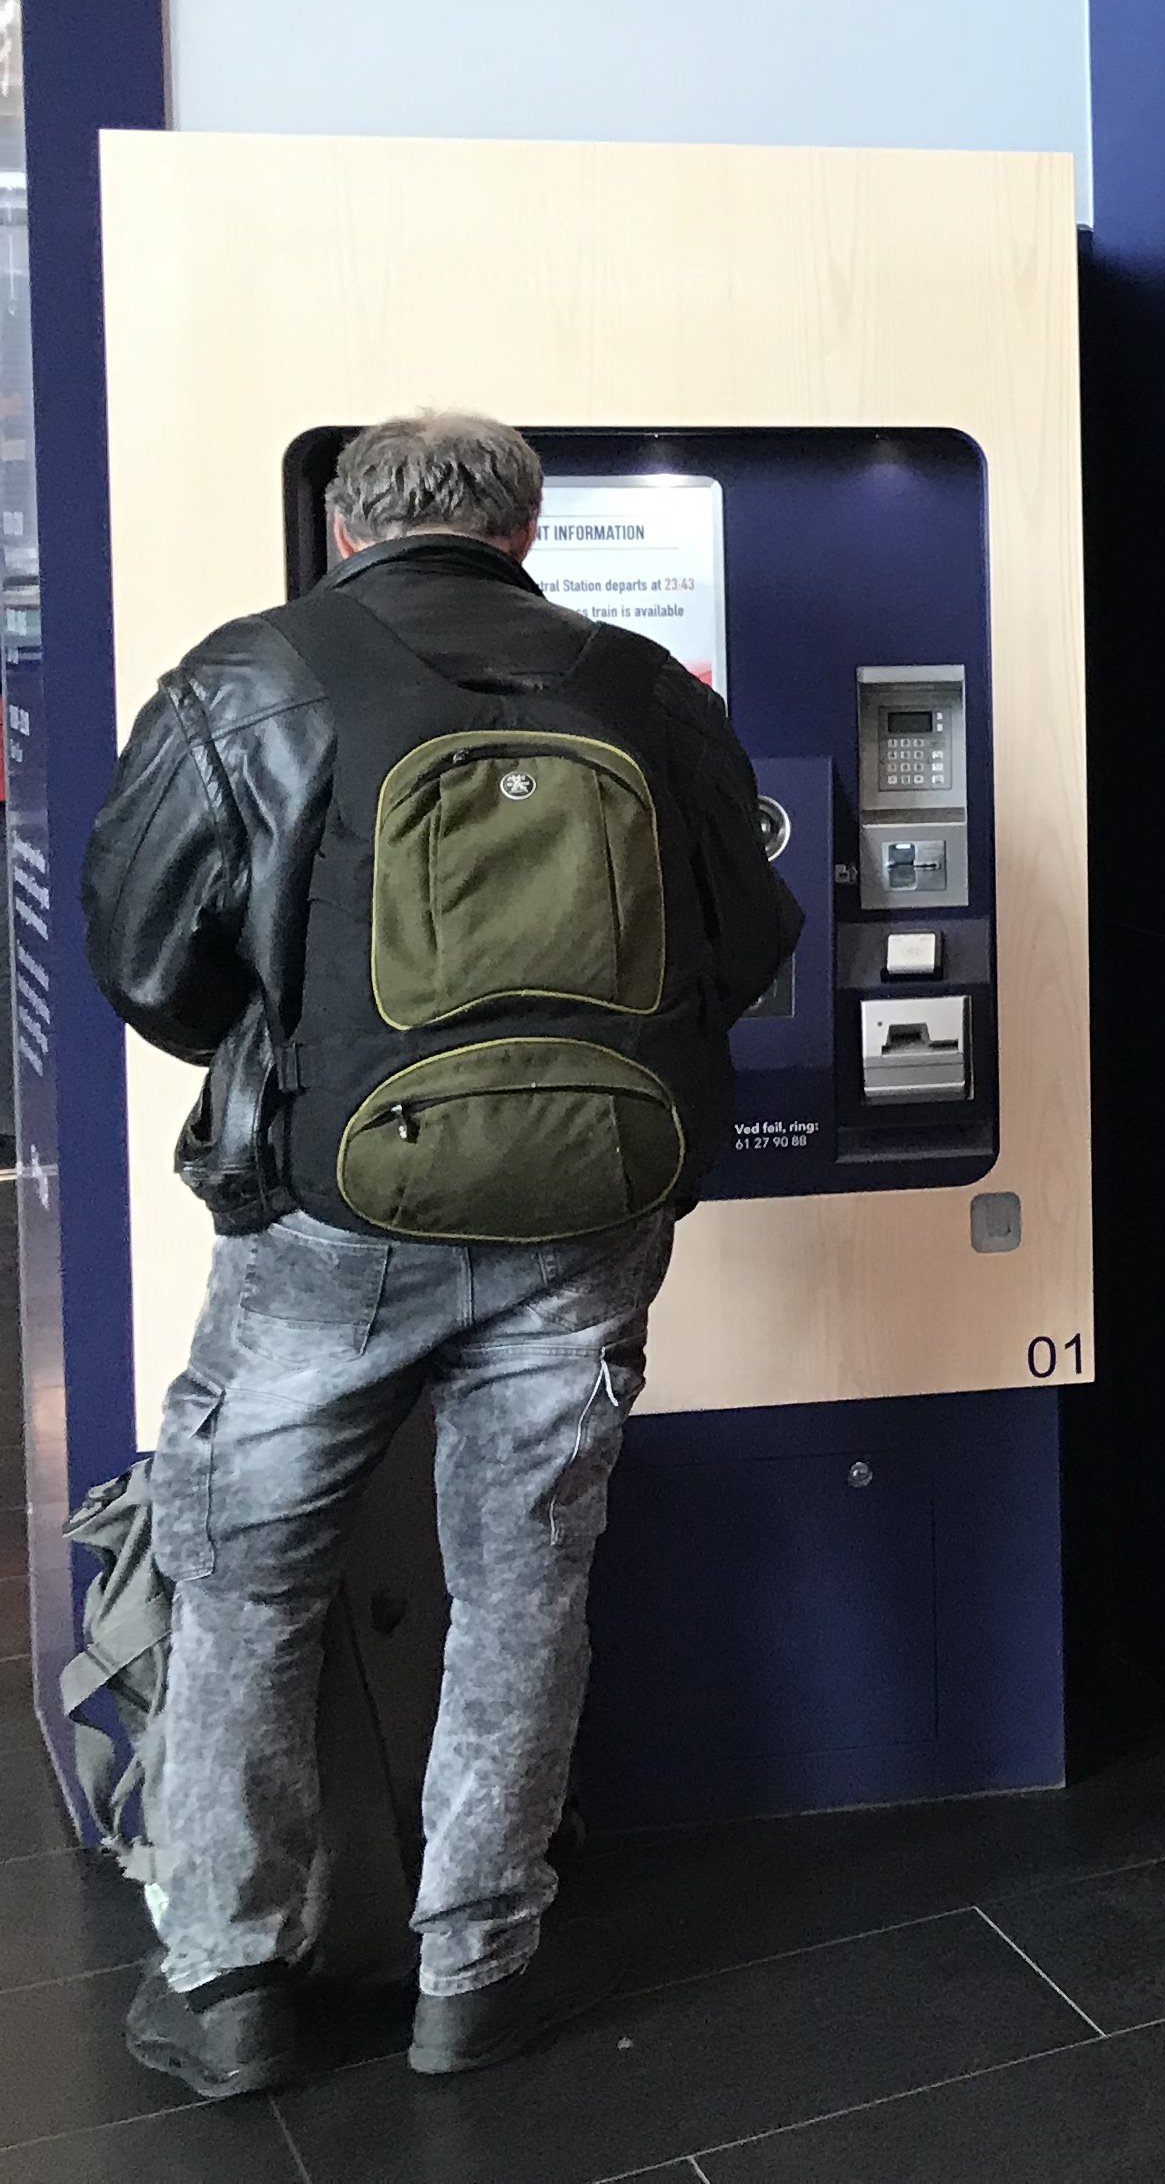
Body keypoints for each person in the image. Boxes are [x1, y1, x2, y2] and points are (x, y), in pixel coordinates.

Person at [80, 412, 799, 2098]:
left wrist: (318, 1066)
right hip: (591, 1216)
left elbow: (141, 957)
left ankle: (233, 1984)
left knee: (248, 1578)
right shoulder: (646, 691)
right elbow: (750, 941)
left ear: (343, 529)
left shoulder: (248, 679)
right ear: (525, 532)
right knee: (526, 1581)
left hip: (332, 1223)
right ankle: (471, 1973)